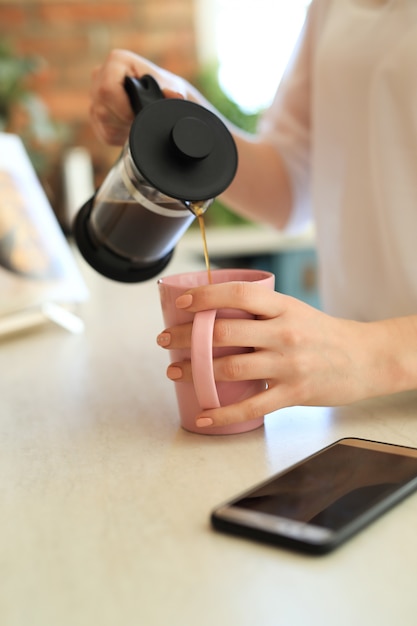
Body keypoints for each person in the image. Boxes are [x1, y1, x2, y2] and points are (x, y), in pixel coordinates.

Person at [89, 0, 417, 430]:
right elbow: (290, 184)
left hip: (371, 377)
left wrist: (369, 353)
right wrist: (184, 114)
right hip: (365, 410)